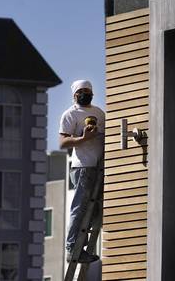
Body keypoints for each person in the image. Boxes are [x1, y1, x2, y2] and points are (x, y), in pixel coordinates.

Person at [59, 80, 105, 263]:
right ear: (74, 95)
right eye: (81, 91)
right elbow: (63, 143)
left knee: (94, 210)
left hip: (99, 166)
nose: (84, 93)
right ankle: (72, 248)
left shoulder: (99, 113)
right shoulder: (70, 114)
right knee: (79, 208)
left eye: (87, 91)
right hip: (82, 167)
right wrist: (83, 138)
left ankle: (81, 248)